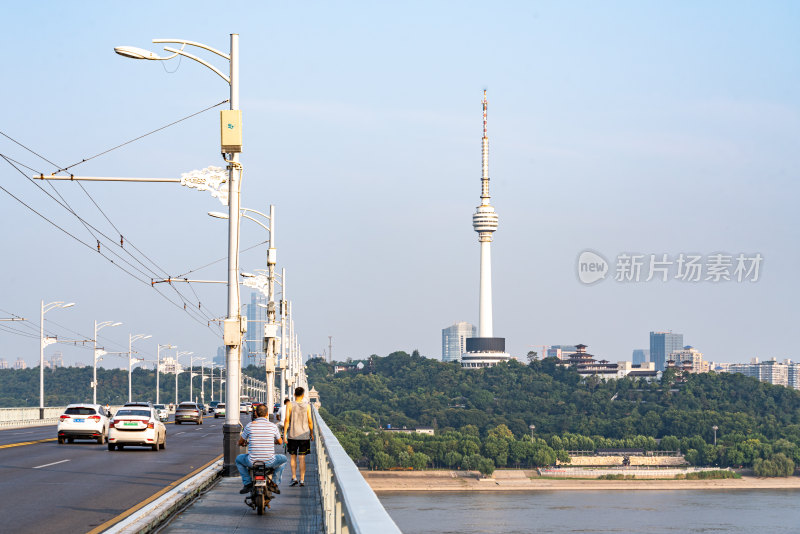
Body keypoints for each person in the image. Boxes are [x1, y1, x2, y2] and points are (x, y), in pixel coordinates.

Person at [236, 404, 287, 495]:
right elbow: (280, 442)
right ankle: (274, 483)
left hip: (252, 461)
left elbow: (241, 441)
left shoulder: (249, 426)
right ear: (267, 414)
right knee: (283, 460)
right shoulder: (273, 426)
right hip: (269, 461)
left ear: (255, 413)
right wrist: (274, 441)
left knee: (238, 459)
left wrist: (240, 443)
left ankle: (247, 483)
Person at [284, 387, 314, 487]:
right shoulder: (307, 406)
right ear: (303, 394)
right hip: (304, 436)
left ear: (294, 394)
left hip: (292, 435)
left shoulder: (289, 405)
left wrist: (284, 435)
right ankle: (302, 480)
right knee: (302, 458)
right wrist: (312, 433)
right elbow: (310, 421)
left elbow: (287, 421)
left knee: (293, 457)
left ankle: (294, 477)